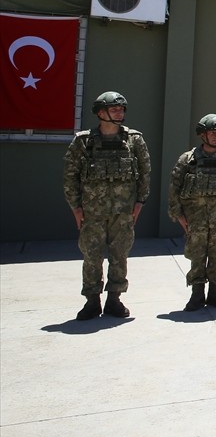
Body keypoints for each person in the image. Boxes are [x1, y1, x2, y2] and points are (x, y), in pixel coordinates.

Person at [62, 91, 152, 320]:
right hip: (92, 211)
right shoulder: (84, 141)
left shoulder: (134, 140)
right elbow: (70, 175)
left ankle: (114, 299)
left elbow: (144, 172)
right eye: (114, 109)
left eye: (121, 109)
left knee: (119, 254)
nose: (120, 113)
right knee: (91, 255)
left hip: (123, 211)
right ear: (101, 113)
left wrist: (140, 202)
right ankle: (92, 301)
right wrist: (75, 208)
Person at [168, 113, 216, 312]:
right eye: (212, 133)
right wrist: (179, 216)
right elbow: (174, 188)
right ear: (202, 135)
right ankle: (196, 293)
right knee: (197, 255)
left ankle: (215, 292)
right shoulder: (188, 160)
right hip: (196, 220)